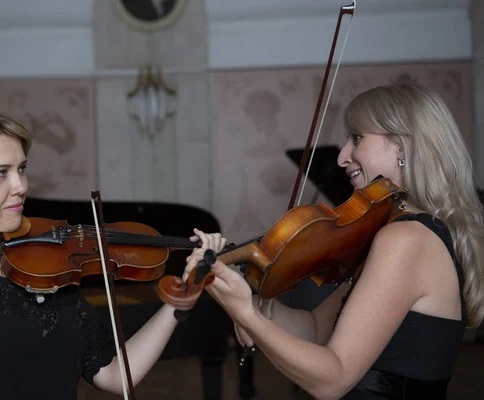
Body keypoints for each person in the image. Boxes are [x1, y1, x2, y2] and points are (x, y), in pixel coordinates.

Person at [0, 108, 227, 400]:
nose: (21, 186)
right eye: (1, 173)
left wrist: (182, 294)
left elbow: (116, 376)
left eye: (21, 169)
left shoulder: (45, 265)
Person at [184, 84, 484, 399]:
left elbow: (333, 379)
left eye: (357, 138)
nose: (342, 157)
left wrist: (245, 314)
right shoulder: (408, 232)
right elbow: (314, 328)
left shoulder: (406, 239)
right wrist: (254, 306)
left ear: (401, 146)